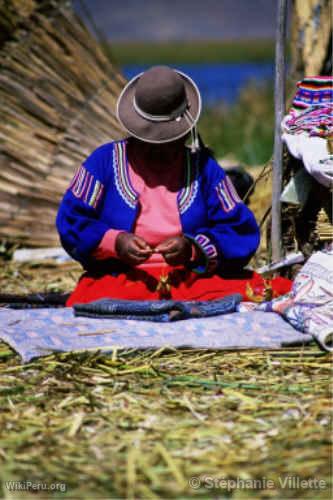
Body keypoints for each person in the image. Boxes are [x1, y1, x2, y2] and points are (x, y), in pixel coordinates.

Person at [56, 66, 291, 306]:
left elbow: (239, 230)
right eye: (150, 141)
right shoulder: (104, 163)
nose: (160, 149)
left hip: (191, 280)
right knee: (96, 300)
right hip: (122, 281)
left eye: (169, 140)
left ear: (185, 132)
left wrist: (193, 248)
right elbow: (72, 221)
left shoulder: (204, 169)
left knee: (268, 290)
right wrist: (114, 242)